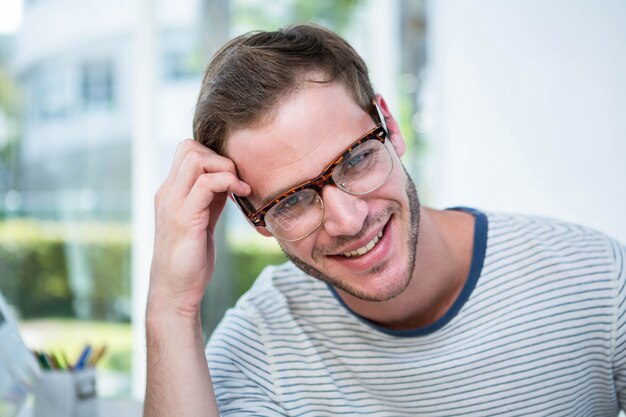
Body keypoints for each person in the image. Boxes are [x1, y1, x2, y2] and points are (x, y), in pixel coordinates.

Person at [144, 24, 626, 416]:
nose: (348, 221)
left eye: (355, 160)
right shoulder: (260, 348)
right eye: (292, 202)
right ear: (257, 221)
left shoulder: (595, 278)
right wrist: (170, 308)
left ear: (390, 128)